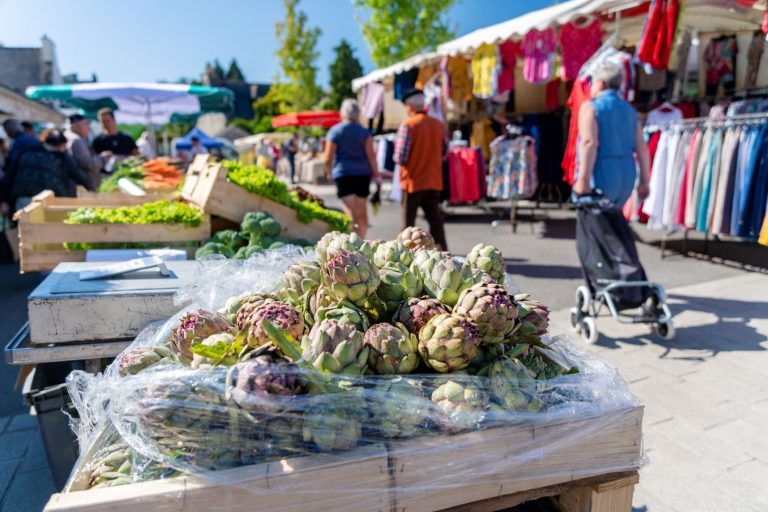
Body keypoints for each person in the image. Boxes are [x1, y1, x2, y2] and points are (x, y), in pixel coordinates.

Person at [572, 64, 650, 205]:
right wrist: (645, 180)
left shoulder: (590, 107)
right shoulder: (629, 110)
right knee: (613, 222)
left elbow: (589, 142)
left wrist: (583, 179)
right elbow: (642, 148)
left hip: (602, 173)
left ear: (600, 84)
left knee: (595, 223)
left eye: (592, 82)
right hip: (627, 175)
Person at [393, 89, 448, 251]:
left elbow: (400, 157)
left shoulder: (408, 125)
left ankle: (403, 255)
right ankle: (442, 253)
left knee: (407, 225)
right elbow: (445, 152)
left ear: (409, 106)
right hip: (433, 180)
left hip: (413, 182)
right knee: (436, 222)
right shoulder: (438, 125)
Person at [324, 98, 381, 238]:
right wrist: (377, 174)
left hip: (343, 174)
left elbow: (327, 157)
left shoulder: (335, 131)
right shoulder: (364, 132)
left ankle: (353, 242)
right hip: (363, 174)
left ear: (342, 113)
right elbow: (371, 155)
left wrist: (328, 172)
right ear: (357, 114)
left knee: (350, 211)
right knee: (361, 211)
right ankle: (362, 239)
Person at [12, 129, 93, 211]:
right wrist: (91, 188)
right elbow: (77, 175)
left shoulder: (27, 153)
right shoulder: (61, 157)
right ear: (61, 144)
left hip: (23, 199)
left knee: (24, 222)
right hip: (51, 201)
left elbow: (10, 175)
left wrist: (4, 200)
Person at [1, 119, 43, 212]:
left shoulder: (18, 143)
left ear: (9, 131)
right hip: (38, 185)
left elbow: (12, 165)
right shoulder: (33, 140)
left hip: (23, 187)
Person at [66, 114, 105, 188]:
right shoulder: (76, 140)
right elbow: (87, 164)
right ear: (78, 126)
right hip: (82, 186)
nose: (88, 128)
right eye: (86, 124)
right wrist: (103, 159)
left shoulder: (68, 136)